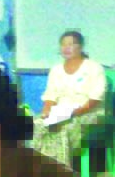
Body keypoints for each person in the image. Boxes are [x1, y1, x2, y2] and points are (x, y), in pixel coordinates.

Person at [31, 31, 108, 167]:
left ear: (80, 46)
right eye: (63, 45)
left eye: (71, 44)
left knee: (63, 129)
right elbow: (50, 95)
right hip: (60, 112)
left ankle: (61, 170)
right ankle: (38, 166)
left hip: (88, 112)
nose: (66, 48)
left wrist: (72, 113)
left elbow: (96, 98)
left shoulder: (94, 68)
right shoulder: (56, 70)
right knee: (36, 124)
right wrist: (46, 112)